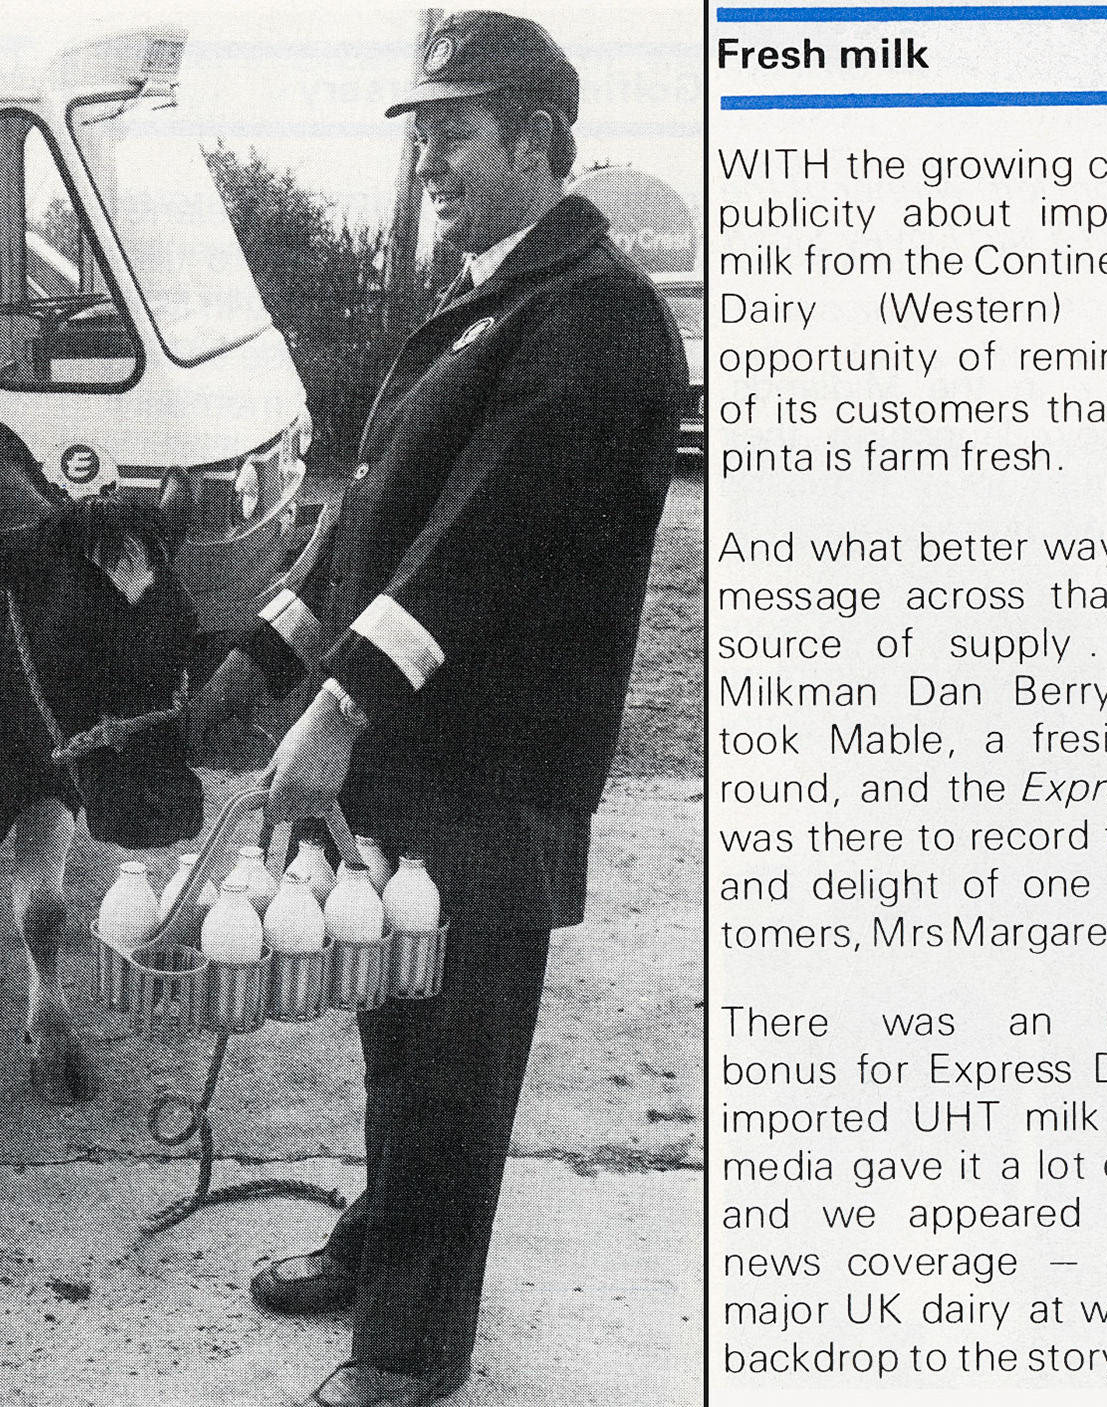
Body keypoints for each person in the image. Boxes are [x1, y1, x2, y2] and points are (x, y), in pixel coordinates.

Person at [187, 13, 687, 1406]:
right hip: (423, 757)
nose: (430, 167)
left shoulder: (586, 317)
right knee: (402, 1024)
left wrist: (335, 705)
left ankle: (409, 1350)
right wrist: (265, 654)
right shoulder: (491, 293)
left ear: (535, 136)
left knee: (455, 1055)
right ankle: (380, 1236)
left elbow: (480, 545)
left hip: (492, 766)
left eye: (453, 135)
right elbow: (375, 524)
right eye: (420, 141)